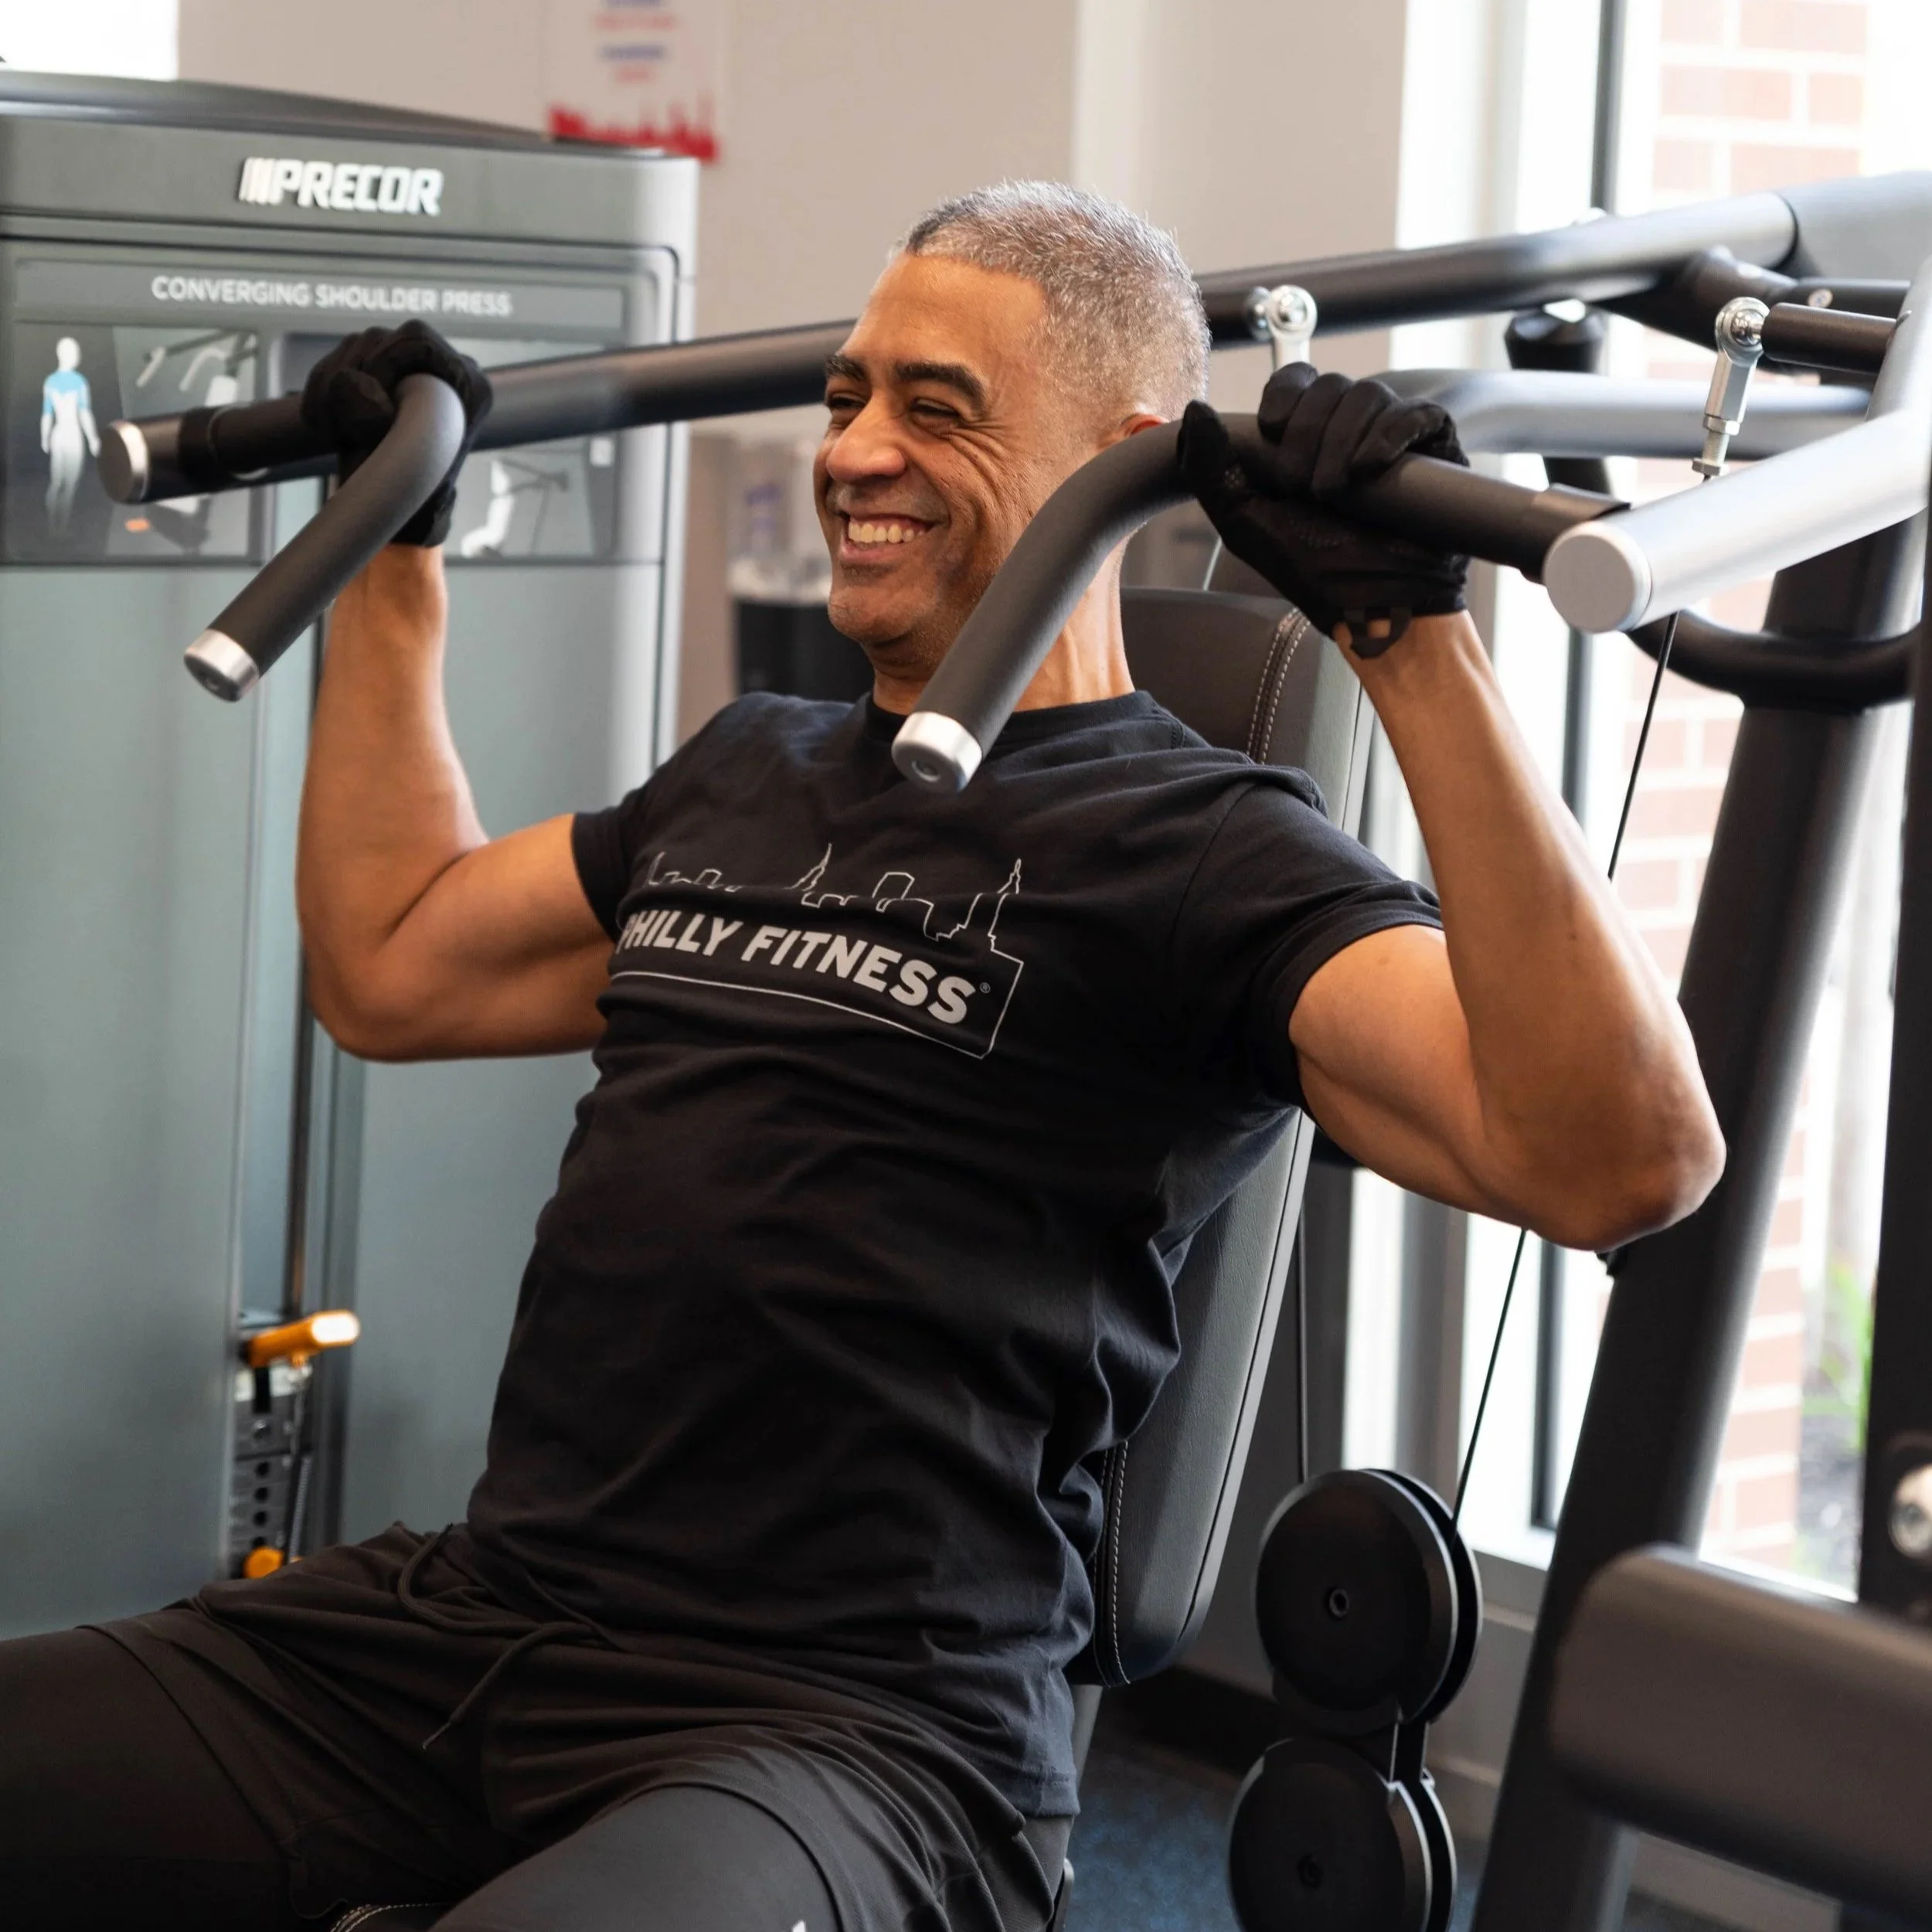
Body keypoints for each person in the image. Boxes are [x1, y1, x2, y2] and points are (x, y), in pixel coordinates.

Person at [0, 183, 1721, 1932]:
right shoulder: (749, 767)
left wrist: (1409, 644)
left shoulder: (1206, 848)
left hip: (858, 1740)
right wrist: (402, 548)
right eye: (845, 396)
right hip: (470, 1626)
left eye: (937, 408)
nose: (856, 454)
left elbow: (1618, 1159)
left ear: (1122, 456)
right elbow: (391, 965)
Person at [41, 335, 100, 532]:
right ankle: (60, 529)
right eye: (75, 352)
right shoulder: (79, 381)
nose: (78, 356)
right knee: (68, 487)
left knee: (56, 483)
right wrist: (92, 439)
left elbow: (47, 415)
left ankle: (53, 527)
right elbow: (85, 413)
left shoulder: (50, 381)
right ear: (65, 354)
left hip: (58, 435)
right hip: (73, 436)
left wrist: (45, 437)